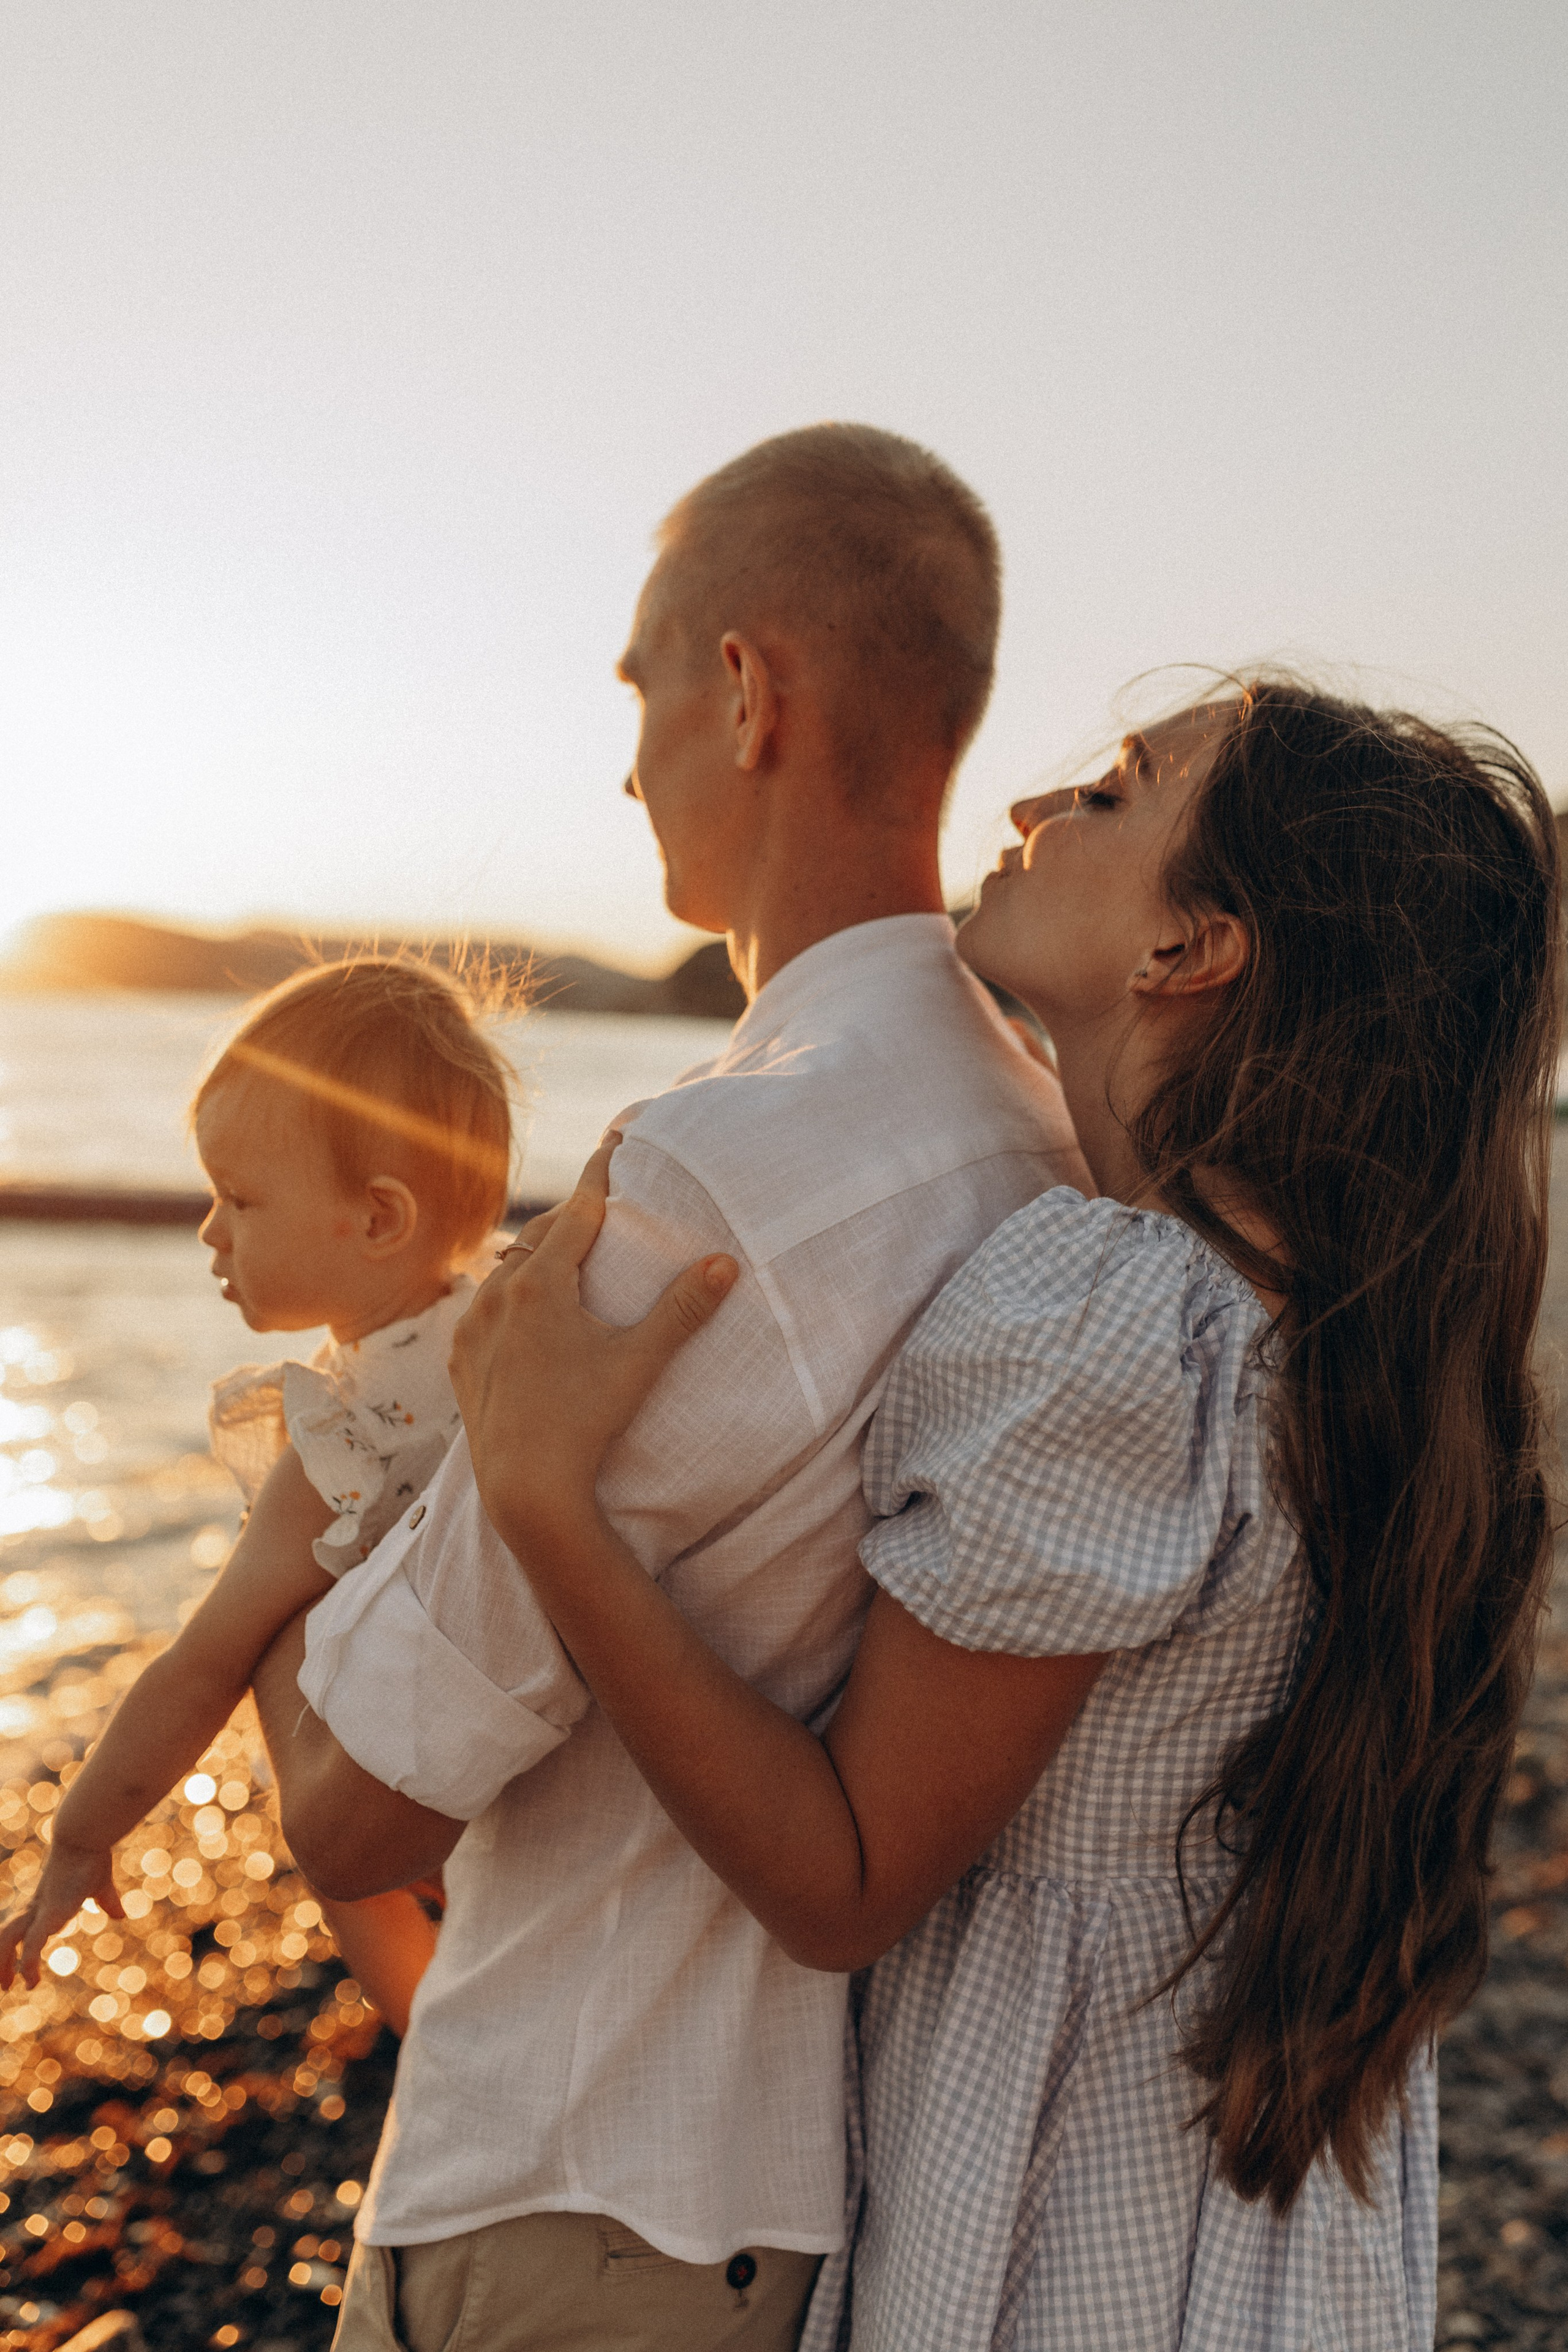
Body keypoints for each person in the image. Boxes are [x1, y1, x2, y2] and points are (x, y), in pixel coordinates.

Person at [451, 682, 1559, 2352]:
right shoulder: (1344, 1322)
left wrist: (548, 1504)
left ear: (1193, 950)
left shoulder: (1112, 1318)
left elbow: (843, 1880)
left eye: (1116, 794)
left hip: (1067, 2195)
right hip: (1251, 2214)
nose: (1036, 803)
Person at [240, 424, 1090, 2352]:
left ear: (743, 688)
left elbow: (356, 1810)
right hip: (765, 2195)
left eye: (638, 686)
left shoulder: (715, 1175)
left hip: (565, 2190)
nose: (624, 759)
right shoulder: (1039, 1138)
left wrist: (295, 1521)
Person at [0, 956, 514, 2036]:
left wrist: (84, 1832)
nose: (209, 1230)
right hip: (527, 1775)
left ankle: (427, 2025)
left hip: (411, 1793)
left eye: (239, 1198)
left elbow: (205, 1662)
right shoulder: (512, 1334)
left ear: (378, 1220)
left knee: (326, 1848)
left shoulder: (352, 1432)